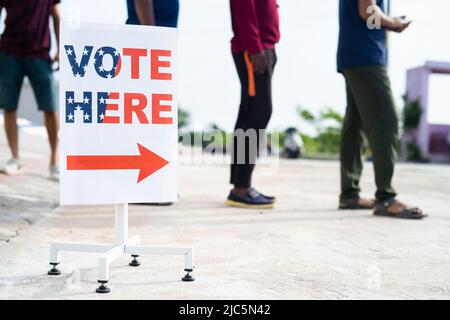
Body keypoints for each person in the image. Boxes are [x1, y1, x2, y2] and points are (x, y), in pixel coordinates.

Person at [337, 0, 426, 219]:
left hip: (353, 54)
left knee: (355, 124)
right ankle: (386, 198)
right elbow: (367, 12)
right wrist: (394, 23)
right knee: (386, 121)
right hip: (366, 56)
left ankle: (349, 194)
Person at [226, 0, 280, 209]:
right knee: (259, 113)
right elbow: (243, 8)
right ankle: (241, 188)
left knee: (249, 113)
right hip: (255, 49)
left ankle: (240, 184)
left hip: (261, 46)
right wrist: (254, 47)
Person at [0, 0, 60, 180]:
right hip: (10, 52)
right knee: (9, 106)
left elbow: (56, 16)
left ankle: (54, 161)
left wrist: (60, 49)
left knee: (50, 108)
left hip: (40, 54)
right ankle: (15, 158)